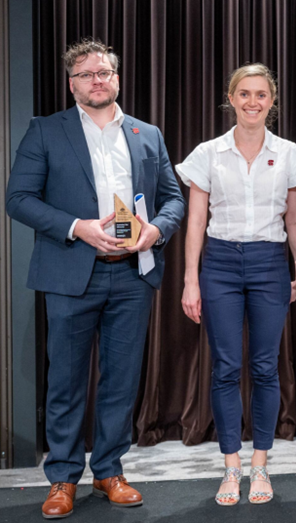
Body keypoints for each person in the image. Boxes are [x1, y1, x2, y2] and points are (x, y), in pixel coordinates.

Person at [5, 38, 185, 519]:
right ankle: (63, 478)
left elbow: (174, 199)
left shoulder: (147, 134)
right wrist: (77, 227)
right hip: (70, 274)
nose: (97, 80)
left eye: (104, 72)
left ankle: (109, 471)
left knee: (120, 383)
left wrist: (155, 230)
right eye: (86, 74)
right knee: (65, 381)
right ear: (72, 84)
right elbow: (18, 198)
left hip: (132, 276)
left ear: (117, 78)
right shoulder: (46, 130)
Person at [178, 63, 296, 507]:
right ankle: (231, 468)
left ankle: (260, 466)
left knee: (266, 367)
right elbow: (195, 220)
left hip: (270, 263)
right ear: (230, 98)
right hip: (220, 264)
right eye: (244, 94)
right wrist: (190, 279)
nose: (253, 102)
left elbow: (294, 217)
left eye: (261, 95)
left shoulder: (289, 153)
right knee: (226, 368)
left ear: (272, 102)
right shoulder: (207, 153)